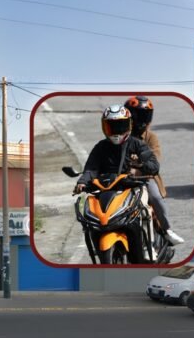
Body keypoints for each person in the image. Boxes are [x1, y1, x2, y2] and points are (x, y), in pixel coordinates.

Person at [73, 104, 160, 263]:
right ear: (104, 127)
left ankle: (149, 248)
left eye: (121, 126)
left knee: (145, 210)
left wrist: (141, 165)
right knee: (90, 217)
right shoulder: (100, 147)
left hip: (133, 188)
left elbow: (153, 164)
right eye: (112, 126)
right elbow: (91, 168)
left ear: (129, 125)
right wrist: (83, 182)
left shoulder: (137, 144)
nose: (116, 131)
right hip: (106, 191)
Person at [124, 96, 185, 246]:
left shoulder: (151, 137)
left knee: (156, 198)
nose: (141, 120)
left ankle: (167, 230)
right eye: (137, 115)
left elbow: (154, 159)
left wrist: (140, 163)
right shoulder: (121, 136)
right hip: (123, 178)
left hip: (146, 177)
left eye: (144, 115)